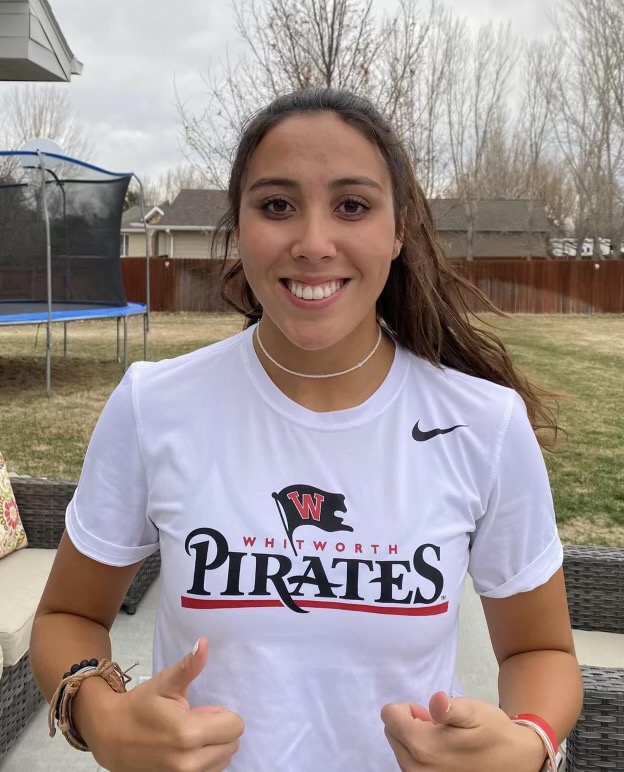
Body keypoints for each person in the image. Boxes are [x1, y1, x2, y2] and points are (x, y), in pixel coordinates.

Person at [31, 88, 583, 772]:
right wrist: (100, 716)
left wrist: (528, 744)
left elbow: (540, 651)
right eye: (276, 206)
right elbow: (68, 617)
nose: (313, 243)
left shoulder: (484, 424)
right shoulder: (154, 405)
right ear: (239, 226)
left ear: (399, 231)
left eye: (351, 206)